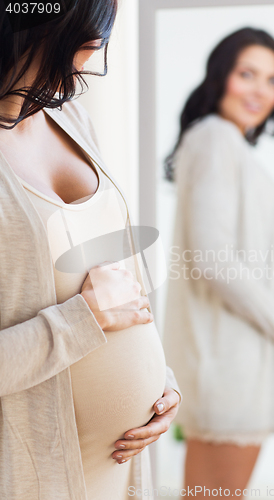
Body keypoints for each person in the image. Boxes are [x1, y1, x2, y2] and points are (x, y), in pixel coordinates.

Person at [0, 2, 182, 499]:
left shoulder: (73, 117)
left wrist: (159, 382)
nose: (98, 46)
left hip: (121, 466)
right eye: (92, 29)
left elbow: (119, 280)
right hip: (33, 474)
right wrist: (82, 320)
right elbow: (95, 309)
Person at [162, 27, 274, 497]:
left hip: (237, 365)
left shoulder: (225, 145)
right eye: (247, 73)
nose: (260, 90)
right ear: (221, 75)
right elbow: (211, 259)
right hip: (230, 367)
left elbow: (223, 237)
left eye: (272, 80)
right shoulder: (215, 138)